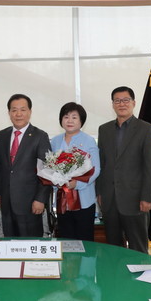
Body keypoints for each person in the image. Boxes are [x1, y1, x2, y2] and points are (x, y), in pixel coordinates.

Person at [96, 86, 151, 253]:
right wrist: (100, 192)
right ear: (112, 104)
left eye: (125, 100)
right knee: (113, 248)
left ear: (133, 103)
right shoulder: (104, 129)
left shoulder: (146, 129)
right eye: (117, 101)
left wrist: (147, 197)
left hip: (135, 200)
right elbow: (102, 163)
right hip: (109, 199)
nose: (121, 104)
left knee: (138, 248)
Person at [0, 94, 51, 237]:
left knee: (31, 244)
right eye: (14, 110)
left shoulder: (40, 136)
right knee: (9, 245)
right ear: (9, 113)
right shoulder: (2, 135)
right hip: (5, 202)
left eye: (23, 110)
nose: (18, 114)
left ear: (30, 112)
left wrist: (40, 199)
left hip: (30, 203)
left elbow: (47, 170)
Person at [50, 102, 100, 241]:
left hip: (84, 199)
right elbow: (50, 167)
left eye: (74, 117)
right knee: (66, 239)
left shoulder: (89, 141)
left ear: (81, 120)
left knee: (85, 239)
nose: (70, 121)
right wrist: (56, 181)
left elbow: (96, 169)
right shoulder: (55, 141)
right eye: (66, 117)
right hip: (62, 199)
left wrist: (77, 184)